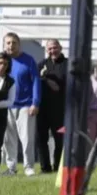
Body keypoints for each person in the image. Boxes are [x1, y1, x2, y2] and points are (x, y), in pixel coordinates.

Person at [2, 33, 41, 176]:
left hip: (26, 105)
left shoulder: (28, 60)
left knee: (27, 138)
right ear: (4, 45)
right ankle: (11, 168)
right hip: (7, 106)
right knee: (8, 139)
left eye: (13, 43)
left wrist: (35, 103)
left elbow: (36, 81)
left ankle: (28, 167)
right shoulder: (1, 61)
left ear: (19, 44)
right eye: (8, 43)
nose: (10, 45)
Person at [37, 39, 67, 173]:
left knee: (60, 140)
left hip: (60, 109)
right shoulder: (42, 64)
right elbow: (35, 79)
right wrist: (47, 80)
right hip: (42, 109)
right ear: (46, 50)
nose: (52, 51)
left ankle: (58, 166)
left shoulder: (68, 64)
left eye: (55, 48)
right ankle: (45, 168)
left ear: (60, 48)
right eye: (49, 49)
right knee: (41, 139)